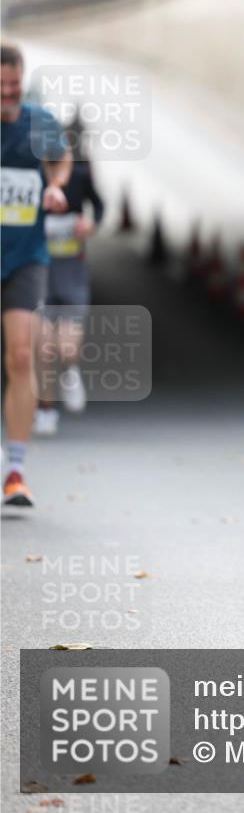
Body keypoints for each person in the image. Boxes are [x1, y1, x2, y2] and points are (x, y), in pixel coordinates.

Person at [1, 43, 71, 506]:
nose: (8, 93)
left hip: (26, 256)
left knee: (22, 357)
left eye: (13, 85)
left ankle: (15, 470)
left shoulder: (38, 121)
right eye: (1, 86)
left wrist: (56, 187)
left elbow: (61, 159)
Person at [34, 111, 105, 436]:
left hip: (72, 272)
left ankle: (72, 371)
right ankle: (46, 410)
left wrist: (88, 225)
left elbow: (99, 205)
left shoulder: (78, 173)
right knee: (43, 348)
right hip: (38, 272)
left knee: (67, 348)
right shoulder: (31, 177)